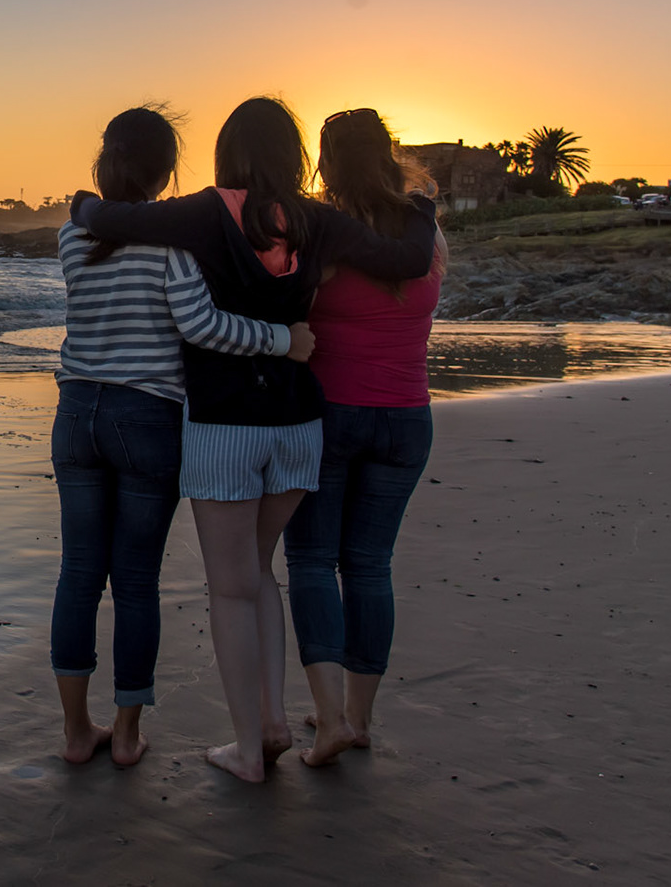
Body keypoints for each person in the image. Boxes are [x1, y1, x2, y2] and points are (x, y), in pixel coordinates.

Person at [71, 97, 436, 782]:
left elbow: (116, 218)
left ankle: (250, 748)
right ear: (293, 154)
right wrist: (422, 205)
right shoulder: (317, 218)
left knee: (232, 588)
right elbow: (409, 258)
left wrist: (82, 204)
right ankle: (272, 722)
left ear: (227, 151)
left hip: (225, 425)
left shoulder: (207, 211)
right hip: (298, 425)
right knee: (261, 572)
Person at [51, 105, 316, 767]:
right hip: (146, 415)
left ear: (106, 160)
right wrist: (282, 340)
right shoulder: (173, 241)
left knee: (79, 574)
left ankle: (77, 732)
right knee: (135, 579)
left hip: (76, 411)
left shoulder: (71, 234)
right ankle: (127, 735)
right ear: (167, 169)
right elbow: (200, 325)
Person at [284, 107, 446, 766]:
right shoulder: (426, 235)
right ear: (387, 153)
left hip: (331, 415)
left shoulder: (323, 235)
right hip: (406, 416)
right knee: (370, 565)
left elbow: (290, 309)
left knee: (312, 561)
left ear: (326, 164)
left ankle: (329, 720)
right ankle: (358, 718)